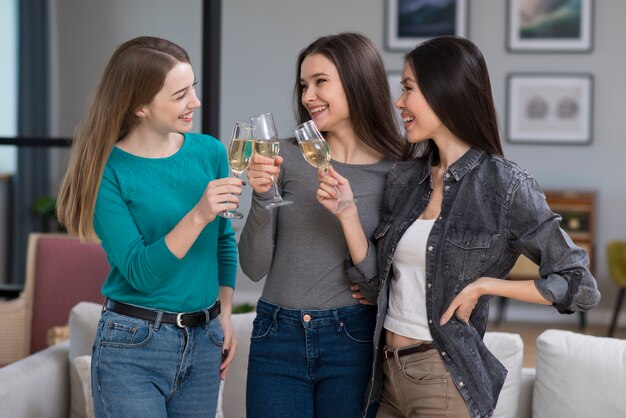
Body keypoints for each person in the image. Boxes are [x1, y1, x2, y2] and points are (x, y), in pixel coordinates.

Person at [317, 36, 601, 418]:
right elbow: (373, 288)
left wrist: (487, 286)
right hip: (385, 377)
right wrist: (347, 213)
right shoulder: (407, 179)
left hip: (443, 379)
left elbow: (579, 285)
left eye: (407, 89)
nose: (398, 103)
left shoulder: (506, 185)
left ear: (444, 91)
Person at [56, 36, 242, 417]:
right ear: (139, 106)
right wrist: (197, 215)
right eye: (180, 95)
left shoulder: (210, 152)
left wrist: (223, 313)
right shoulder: (107, 171)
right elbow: (140, 271)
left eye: (193, 88)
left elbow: (223, 240)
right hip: (132, 348)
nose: (195, 102)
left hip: (204, 341)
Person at [238, 32, 404, 418]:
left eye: (320, 82)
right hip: (276, 336)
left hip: (353, 339)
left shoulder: (400, 170)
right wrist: (261, 195)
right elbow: (254, 266)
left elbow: (386, 277)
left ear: (358, 81)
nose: (307, 96)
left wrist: (348, 216)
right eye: (303, 85)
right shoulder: (282, 157)